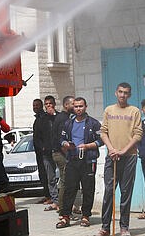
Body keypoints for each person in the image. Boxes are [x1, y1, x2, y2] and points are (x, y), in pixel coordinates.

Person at [98, 82, 143, 236]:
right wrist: (111, 149)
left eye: (126, 93)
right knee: (109, 191)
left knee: (126, 192)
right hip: (112, 156)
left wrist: (124, 150)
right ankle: (105, 227)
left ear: (129, 95)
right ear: (116, 93)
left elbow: (138, 134)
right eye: (120, 92)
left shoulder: (134, 111)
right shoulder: (109, 110)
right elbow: (103, 132)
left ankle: (124, 227)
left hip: (129, 156)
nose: (123, 95)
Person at [55, 97, 103, 229]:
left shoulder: (93, 123)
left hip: (88, 161)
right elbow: (62, 139)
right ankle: (65, 217)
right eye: (76, 106)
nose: (78, 109)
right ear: (72, 107)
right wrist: (66, 144)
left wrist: (88, 146)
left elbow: (101, 140)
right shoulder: (68, 123)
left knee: (88, 189)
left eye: (81, 106)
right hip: (72, 160)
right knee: (69, 189)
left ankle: (86, 216)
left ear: (86, 107)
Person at [52, 95, 82, 219]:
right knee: (66, 182)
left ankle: (66, 209)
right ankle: (63, 211)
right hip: (61, 153)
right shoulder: (63, 119)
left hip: (61, 153)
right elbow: (62, 140)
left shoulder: (66, 117)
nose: (75, 107)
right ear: (66, 105)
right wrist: (68, 154)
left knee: (68, 181)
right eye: (73, 104)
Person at [35, 95, 59, 211]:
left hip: (59, 151)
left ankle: (64, 200)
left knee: (65, 177)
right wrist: (43, 148)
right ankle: (55, 200)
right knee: (51, 177)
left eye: (50, 103)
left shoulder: (59, 117)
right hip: (47, 153)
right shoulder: (41, 119)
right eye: (46, 104)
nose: (48, 106)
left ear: (54, 104)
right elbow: (37, 137)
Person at [32, 98, 51, 204]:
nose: (35, 107)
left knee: (47, 174)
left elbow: (46, 134)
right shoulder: (37, 118)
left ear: (41, 106)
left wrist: (44, 147)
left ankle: (50, 197)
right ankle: (46, 195)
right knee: (42, 174)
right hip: (38, 152)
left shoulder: (44, 118)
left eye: (37, 105)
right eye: (34, 106)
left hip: (44, 152)